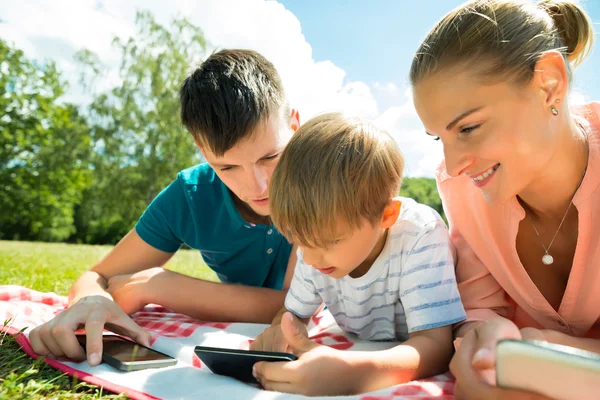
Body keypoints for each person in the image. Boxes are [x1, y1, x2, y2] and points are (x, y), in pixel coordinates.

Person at [28, 49, 301, 367]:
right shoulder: (191, 196)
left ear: (294, 125)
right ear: (202, 151)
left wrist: (162, 286)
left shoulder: (323, 184)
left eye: (270, 157)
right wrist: (92, 301)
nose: (258, 187)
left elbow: (294, 306)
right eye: (227, 168)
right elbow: (98, 276)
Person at [409, 0, 600, 398]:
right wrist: (485, 336)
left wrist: (550, 355)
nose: (453, 165)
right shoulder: (462, 187)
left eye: (469, 128)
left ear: (549, 83)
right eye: (439, 138)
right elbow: (480, 307)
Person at [250, 113, 466, 396]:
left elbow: (435, 346)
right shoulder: (312, 245)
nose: (311, 259)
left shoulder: (420, 235)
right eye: (298, 240)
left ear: (386, 215)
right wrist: (283, 331)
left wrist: (352, 373)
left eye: (329, 241)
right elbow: (294, 313)